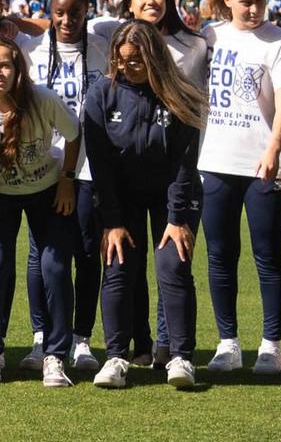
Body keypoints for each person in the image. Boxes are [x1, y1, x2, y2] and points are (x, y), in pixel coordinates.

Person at [81, 20, 207, 389]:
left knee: (173, 267)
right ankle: (117, 357)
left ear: (154, 57)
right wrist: (112, 221)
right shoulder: (101, 93)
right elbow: (100, 164)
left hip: (172, 195)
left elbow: (185, 163)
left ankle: (182, 358)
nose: (127, 68)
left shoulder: (180, 94)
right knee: (118, 267)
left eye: (136, 61)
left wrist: (177, 217)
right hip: (122, 197)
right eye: (121, 61)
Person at [195, 0, 281, 376]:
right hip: (214, 162)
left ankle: (271, 345)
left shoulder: (280, 42)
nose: (255, 8)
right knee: (220, 255)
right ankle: (228, 344)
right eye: (246, 1)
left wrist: (275, 149)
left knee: (269, 256)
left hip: (262, 165)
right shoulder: (209, 37)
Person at [0, 37, 82, 387]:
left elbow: (74, 134)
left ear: (18, 69)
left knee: (55, 267)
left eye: (5, 65)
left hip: (46, 191)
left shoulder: (43, 99)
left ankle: (55, 356)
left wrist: (67, 180)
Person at [24, 0, 107, 374]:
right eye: (59, 13)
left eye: (75, 12)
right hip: (43, 167)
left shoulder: (103, 46)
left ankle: (81, 338)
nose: (67, 20)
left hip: (91, 168)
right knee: (41, 255)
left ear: (87, 10)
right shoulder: (33, 52)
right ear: (49, 12)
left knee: (87, 253)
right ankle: (42, 337)